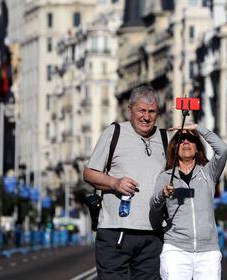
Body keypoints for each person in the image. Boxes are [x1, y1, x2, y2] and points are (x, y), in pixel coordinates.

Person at [83, 85, 167, 280]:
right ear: (130, 109)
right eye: (142, 110)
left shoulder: (165, 138)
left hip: (153, 235)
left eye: (152, 111)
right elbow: (89, 173)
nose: (146, 117)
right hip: (116, 231)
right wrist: (115, 183)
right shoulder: (115, 133)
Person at [150, 124, 227, 280]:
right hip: (176, 249)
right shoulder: (166, 177)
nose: (186, 142)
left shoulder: (208, 172)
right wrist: (162, 194)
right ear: (175, 148)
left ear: (198, 148)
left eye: (191, 139)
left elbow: (223, 150)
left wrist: (197, 128)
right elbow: (154, 205)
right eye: (181, 139)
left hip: (208, 251)